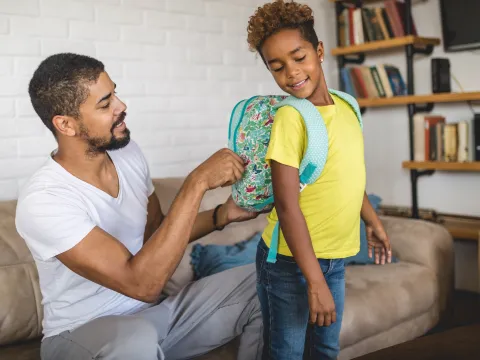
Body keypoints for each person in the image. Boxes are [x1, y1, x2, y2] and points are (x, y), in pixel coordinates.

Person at [15, 52, 264, 360]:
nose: (121, 106)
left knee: (268, 282)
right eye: (105, 104)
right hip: (80, 335)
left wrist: (222, 215)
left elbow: (156, 234)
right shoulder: (45, 199)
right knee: (134, 339)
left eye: (115, 93)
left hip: (154, 318)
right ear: (66, 124)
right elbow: (142, 283)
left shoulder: (128, 153)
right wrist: (196, 182)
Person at [246, 1, 392, 359]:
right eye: (277, 67)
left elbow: (347, 178)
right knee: (287, 352)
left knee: (326, 348)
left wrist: (372, 220)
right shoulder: (291, 118)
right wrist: (314, 281)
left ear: (320, 51)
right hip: (287, 262)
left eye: (299, 57)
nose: (291, 73)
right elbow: (286, 203)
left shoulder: (348, 106)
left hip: (335, 258)